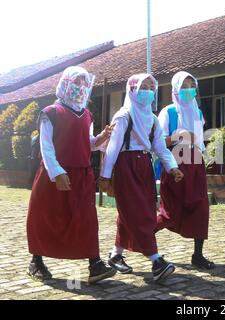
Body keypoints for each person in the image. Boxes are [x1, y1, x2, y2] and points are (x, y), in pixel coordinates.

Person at [27, 66, 117, 284]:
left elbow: (88, 143)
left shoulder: (87, 114)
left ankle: (94, 264)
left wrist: (102, 138)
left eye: (85, 83)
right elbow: (46, 147)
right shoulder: (50, 113)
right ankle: (36, 261)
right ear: (66, 83)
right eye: (77, 82)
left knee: (86, 219)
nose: (81, 87)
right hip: (54, 175)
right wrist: (57, 172)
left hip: (82, 176)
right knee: (46, 217)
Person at [98, 73, 184, 282]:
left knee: (137, 210)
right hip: (126, 165)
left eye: (150, 87)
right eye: (142, 87)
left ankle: (116, 254)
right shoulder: (123, 116)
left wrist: (172, 166)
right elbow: (113, 148)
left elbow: (160, 148)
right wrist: (105, 176)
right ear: (132, 90)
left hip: (144, 166)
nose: (147, 92)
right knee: (138, 213)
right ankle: (156, 260)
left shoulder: (153, 119)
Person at [156, 71, 215, 270]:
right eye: (184, 86)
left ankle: (198, 255)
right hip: (175, 162)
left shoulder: (197, 112)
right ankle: (140, 240)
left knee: (200, 209)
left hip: (195, 162)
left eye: (192, 85)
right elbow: (158, 141)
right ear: (175, 89)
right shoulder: (169, 112)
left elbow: (199, 142)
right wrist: (177, 136)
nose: (189, 90)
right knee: (170, 211)